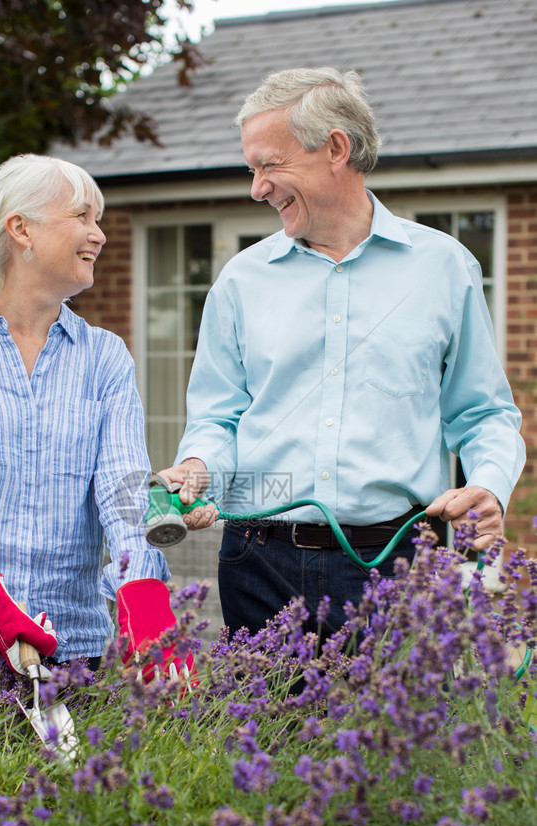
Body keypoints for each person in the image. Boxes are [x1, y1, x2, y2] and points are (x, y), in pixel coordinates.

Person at [157, 67, 526, 640]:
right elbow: (217, 416)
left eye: (269, 165)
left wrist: (489, 485)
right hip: (256, 561)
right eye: (251, 169)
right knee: (266, 733)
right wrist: (199, 467)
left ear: (335, 147)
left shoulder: (444, 268)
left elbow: (484, 414)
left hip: (397, 562)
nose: (257, 188)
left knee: (395, 734)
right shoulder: (240, 280)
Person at [0, 153, 192, 688]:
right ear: (21, 229)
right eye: (82, 216)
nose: (98, 234)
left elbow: (122, 491)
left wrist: (144, 595)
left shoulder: (105, 358)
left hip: (67, 643)